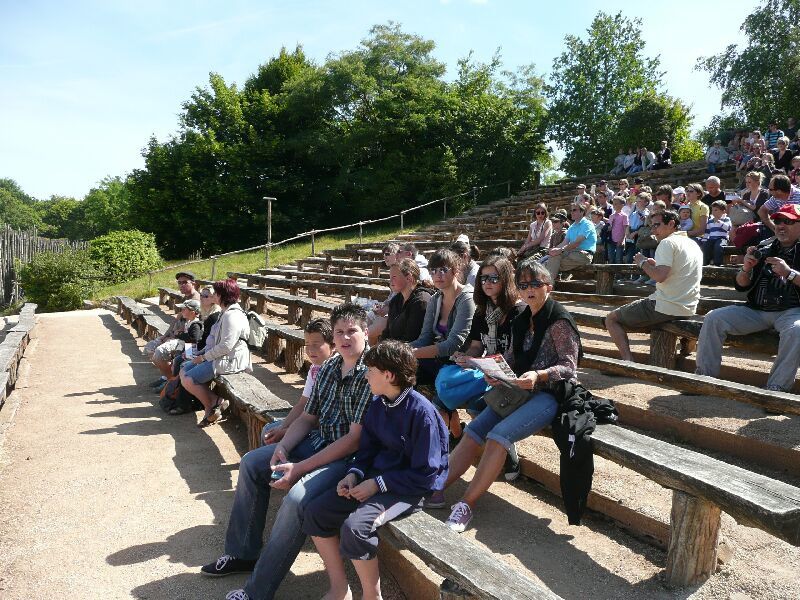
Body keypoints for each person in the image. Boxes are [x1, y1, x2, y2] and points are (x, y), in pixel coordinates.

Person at [203, 303, 372, 600]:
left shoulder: (370, 371)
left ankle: (257, 591)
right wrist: (283, 447)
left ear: (366, 332)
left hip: (350, 458)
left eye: (352, 331)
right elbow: (308, 416)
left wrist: (300, 467)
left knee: (296, 499)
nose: (345, 338)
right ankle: (243, 552)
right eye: (339, 332)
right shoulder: (331, 366)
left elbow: (354, 441)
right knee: (254, 462)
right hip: (319, 440)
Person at [427, 260, 580, 532]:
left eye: (535, 284)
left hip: (548, 395)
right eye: (523, 285)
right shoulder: (523, 318)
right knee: (473, 431)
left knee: (498, 437)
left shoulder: (559, 321)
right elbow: (509, 357)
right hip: (516, 388)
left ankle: (466, 505)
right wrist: (493, 372)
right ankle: (435, 489)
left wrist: (539, 375)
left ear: (549, 287)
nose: (529, 290)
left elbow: (569, 367)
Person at [302, 340, 448, 600]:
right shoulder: (379, 403)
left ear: (389, 375)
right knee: (316, 512)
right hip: (376, 481)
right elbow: (367, 450)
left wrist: (378, 484)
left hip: (407, 490)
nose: (366, 375)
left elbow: (426, 474)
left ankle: (372, 596)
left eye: (371, 370)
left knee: (355, 528)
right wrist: (354, 474)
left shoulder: (422, 413)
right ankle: (339, 588)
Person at [696, 204, 800, 392]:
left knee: (797, 331)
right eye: (778, 221)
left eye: (788, 221)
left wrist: (789, 273)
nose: (781, 225)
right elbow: (741, 285)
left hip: (791, 312)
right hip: (756, 311)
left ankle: (776, 388)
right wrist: (746, 268)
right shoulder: (765, 246)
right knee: (714, 318)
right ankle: (704, 378)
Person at [444, 255, 525, 449]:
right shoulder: (483, 311)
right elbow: (476, 345)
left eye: (494, 278)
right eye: (483, 278)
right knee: (452, 394)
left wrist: (486, 365)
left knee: (478, 404)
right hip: (490, 371)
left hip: (514, 375)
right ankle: (495, 447)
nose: (487, 282)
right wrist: (467, 357)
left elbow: (518, 356)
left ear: (506, 280)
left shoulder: (519, 311)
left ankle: (504, 450)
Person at [605, 210, 703, 362]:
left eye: (656, 225)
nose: (652, 230)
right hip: (689, 307)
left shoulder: (667, 243)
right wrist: (655, 265)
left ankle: (627, 361)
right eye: (651, 226)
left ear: (671, 224)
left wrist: (642, 262)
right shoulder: (692, 243)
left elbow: (659, 277)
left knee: (611, 319)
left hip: (666, 306)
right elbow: (677, 272)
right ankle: (687, 340)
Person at [180, 279, 251, 427]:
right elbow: (214, 341)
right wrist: (199, 353)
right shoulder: (225, 313)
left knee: (188, 379)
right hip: (219, 357)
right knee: (184, 368)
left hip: (230, 361)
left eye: (215, 293)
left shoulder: (232, 316)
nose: (213, 296)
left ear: (222, 295)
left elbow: (226, 346)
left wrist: (204, 357)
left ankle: (212, 404)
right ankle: (213, 404)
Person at [261, 318, 335, 446]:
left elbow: (320, 417)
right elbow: (302, 403)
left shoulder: (334, 371)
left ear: (333, 346)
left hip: (324, 430)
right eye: (307, 344)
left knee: (273, 437)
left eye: (316, 345)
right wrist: (282, 427)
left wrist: (284, 432)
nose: (310, 350)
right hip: (308, 420)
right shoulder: (315, 368)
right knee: (269, 430)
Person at [410, 249, 475, 386]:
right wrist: (400, 349)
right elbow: (424, 338)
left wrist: (410, 353)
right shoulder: (435, 299)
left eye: (443, 269)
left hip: (460, 362)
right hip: (439, 359)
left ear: (456, 270)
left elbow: (453, 345)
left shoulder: (467, 298)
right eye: (433, 270)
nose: (437, 275)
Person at [381, 258, 432, 343]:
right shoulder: (395, 300)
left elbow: (411, 339)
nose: (390, 281)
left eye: (394, 277)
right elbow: (387, 332)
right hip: (394, 349)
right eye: (390, 277)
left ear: (409, 278)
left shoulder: (421, 302)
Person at [151, 299, 202, 384]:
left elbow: (194, 338)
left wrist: (179, 334)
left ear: (193, 312)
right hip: (186, 346)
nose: (181, 311)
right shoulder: (189, 322)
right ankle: (170, 382)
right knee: (176, 361)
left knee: (180, 363)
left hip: (190, 348)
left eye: (184, 309)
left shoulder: (196, 324)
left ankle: (173, 383)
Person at [544, 204, 597, 282]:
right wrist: (554, 250)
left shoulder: (587, 224)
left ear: (582, 212)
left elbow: (576, 243)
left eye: (574, 210)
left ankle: (547, 285)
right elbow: (564, 242)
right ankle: (548, 284)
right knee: (553, 257)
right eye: (571, 210)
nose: (571, 212)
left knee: (552, 263)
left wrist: (560, 250)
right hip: (571, 253)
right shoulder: (572, 227)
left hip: (584, 254)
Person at [703, 201, 732, 266]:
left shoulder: (726, 219)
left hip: (722, 238)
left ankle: (717, 263)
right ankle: (705, 263)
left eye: (716, 210)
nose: (713, 212)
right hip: (711, 238)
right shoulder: (710, 221)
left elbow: (728, 228)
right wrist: (704, 240)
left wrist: (720, 222)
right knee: (705, 246)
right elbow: (707, 231)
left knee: (718, 246)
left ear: (723, 211)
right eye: (712, 210)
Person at [606, 196, 628, 264]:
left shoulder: (624, 216)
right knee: (610, 258)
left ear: (622, 205)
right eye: (613, 204)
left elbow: (625, 229)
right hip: (611, 240)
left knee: (618, 259)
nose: (614, 205)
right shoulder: (611, 216)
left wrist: (622, 240)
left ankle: (618, 274)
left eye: (616, 204)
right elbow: (609, 228)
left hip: (619, 239)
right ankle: (611, 274)